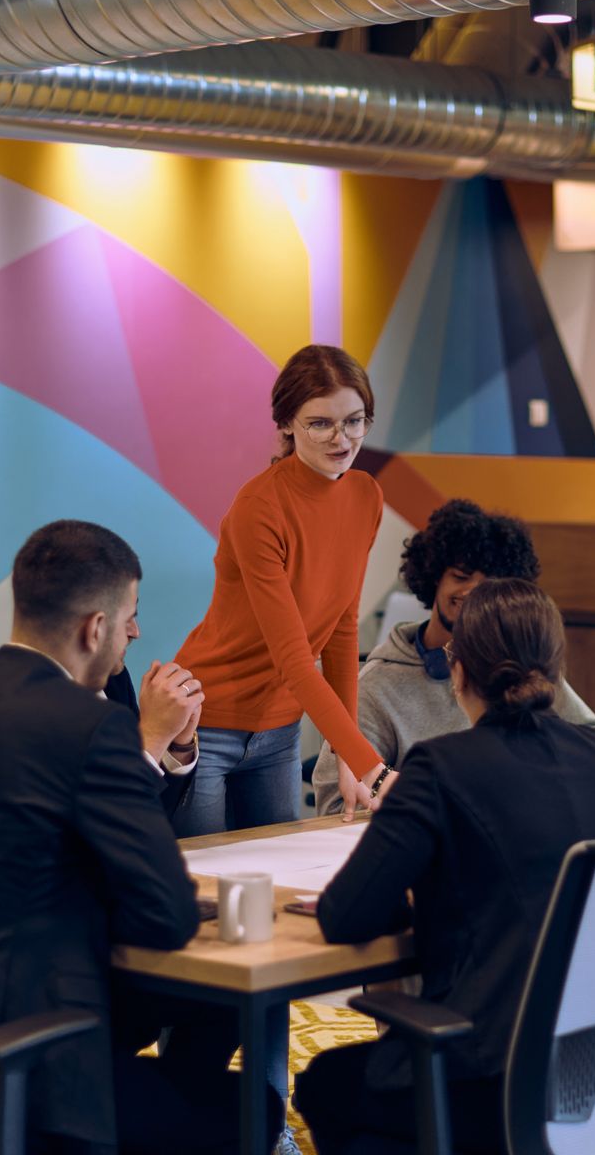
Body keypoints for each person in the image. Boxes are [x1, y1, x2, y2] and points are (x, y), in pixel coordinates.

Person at [0, 520, 281, 1155]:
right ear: (95, 627)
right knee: (252, 1107)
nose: (136, 633)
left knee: (207, 1009)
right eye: (131, 619)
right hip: (40, 1064)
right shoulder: (89, 726)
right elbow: (167, 918)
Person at [293, 579, 595, 1155]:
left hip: (485, 1075)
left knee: (327, 1083)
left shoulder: (440, 766)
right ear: (555, 669)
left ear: (457, 671)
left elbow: (346, 915)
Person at [173, 344, 392, 834]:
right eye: (321, 423)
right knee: (204, 884)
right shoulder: (259, 506)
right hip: (207, 721)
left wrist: (346, 755)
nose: (342, 439)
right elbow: (293, 659)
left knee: (277, 883)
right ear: (287, 424)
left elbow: (342, 628)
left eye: (355, 421)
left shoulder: (365, 496)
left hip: (280, 730)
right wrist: (373, 769)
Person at [309, 498, 595, 817]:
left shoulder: (522, 668)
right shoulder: (377, 687)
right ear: (433, 576)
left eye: (488, 583)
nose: (473, 592)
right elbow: (336, 806)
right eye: (461, 576)